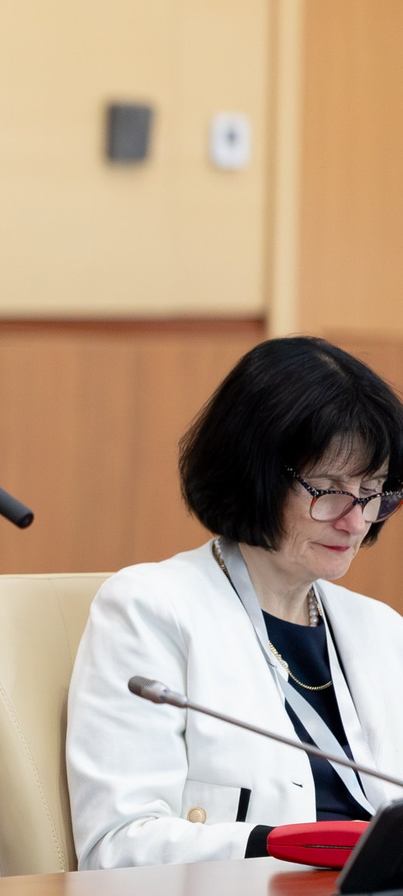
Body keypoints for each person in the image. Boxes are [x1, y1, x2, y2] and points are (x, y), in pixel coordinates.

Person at [67, 336, 403, 868]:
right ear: (256, 475)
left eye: (373, 491)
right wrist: (281, 849)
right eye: (331, 490)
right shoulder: (150, 610)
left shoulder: (381, 629)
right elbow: (118, 844)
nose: (356, 521)